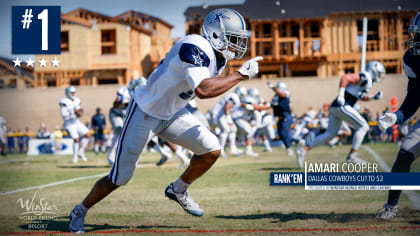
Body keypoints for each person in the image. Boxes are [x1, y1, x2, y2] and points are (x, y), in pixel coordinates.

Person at [69, 8, 263, 233]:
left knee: (212, 150)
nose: (235, 45)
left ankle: (178, 189)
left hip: (173, 114)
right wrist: (241, 75)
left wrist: (237, 74)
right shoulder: (194, 47)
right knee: (119, 177)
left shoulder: (218, 57)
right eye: (232, 39)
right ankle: (79, 211)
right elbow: (202, 90)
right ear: (215, 34)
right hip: (145, 112)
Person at [295, 61, 385, 168]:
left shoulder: (368, 82)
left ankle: (303, 149)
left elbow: (359, 96)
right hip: (342, 104)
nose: (380, 76)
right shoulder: (365, 77)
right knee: (364, 126)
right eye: (379, 73)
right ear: (373, 70)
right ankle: (352, 156)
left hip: (336, 107)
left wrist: (372, 97)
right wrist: (341, 95)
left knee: (330, 135)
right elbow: (345, 78)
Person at [376, 11, 420, 220]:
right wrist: (396, 116)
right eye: (416, 35)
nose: (416, 41)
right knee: (404, 156)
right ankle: (391, 206)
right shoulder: (412, 58)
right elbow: (413, 99)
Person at [60, 86, 90, 163]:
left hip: (76, 121)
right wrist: (74, 112)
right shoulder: (64, 101)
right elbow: (64, 115)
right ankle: (75, 157)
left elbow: (79, 113)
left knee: (87, 134)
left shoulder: (77, 100)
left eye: (74, 92)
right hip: (69, 123)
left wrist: (79, 113)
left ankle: (81, 151)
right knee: (76, 139)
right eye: (71, 93)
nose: (73, 94)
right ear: (68, 93)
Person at [267, 81, 296, 156]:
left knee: (284, 133)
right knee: (281, 134)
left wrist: (272, 87)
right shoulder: (276, 96)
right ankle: (294, 143)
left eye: (277, 88)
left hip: (285, 116)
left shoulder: (285, 93)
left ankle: (293, 146)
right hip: (280, 117)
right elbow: (271, 105)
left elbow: (282, 95)